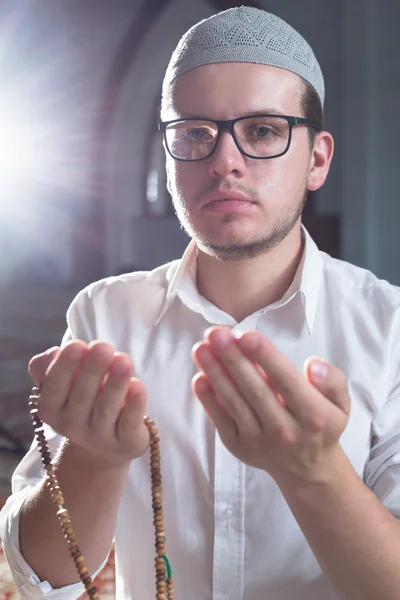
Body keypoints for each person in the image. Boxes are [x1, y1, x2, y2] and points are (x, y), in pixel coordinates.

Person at [1, 6, 400, 600]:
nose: (225, 161)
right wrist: (95, 460)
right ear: (168, 161)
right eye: (195, 135)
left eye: (263, 130)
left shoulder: (388, 327)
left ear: (316, 159)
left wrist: (315, 474)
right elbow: (42, 580)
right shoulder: (106, 316)